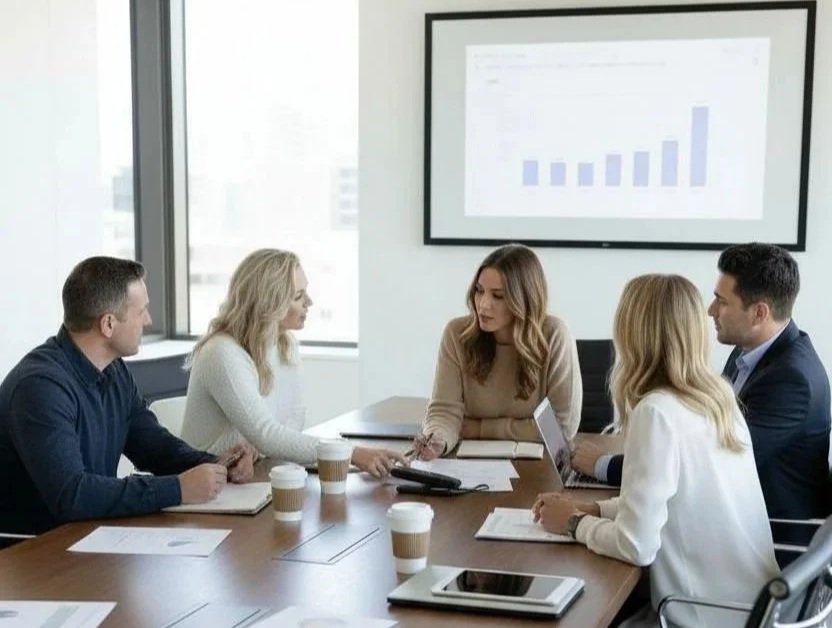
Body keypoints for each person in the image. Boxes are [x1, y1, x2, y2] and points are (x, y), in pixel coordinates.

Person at [534, 274, 778, 627]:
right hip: (750, 608)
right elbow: (676, 499)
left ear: (632, 334)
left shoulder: (657, 412)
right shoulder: (718, 398)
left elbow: (637, 545)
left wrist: (573, 523)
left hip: (700, 615)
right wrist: (594, 508)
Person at [572, 243, 831, 521]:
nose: (710, 310)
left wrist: (603, 465)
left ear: (759, 313)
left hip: (775, 533)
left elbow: (709, 466)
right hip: (727, 516)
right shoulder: (749, 351)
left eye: (722, 301)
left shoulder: (793, 380)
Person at [0, 257, 253, 536]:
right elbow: (72, 494)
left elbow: (152, 445)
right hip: (29, 554)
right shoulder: (40, 387)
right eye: (141, 311)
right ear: (108, 324)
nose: (149, 320)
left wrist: (215, 463)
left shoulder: (114, 370)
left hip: (84, 538)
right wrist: (178, 489)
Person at [181, 249, 406, 477]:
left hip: (246, 476)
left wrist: (257, 449)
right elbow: (266, 434)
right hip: (205, 483)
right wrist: (352, 453)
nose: (309, 302)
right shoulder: (222, 353)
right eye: (298, 296)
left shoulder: (284, 343)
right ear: (270, 303)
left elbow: (294, 416)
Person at [413, 243, 582, 460]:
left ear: (524, 299)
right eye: (479, 291)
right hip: (471, 463)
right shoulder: (457, 334)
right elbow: (445, 412)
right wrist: (436, 441)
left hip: (540, 467)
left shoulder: (554, 334)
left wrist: (480, 429)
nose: (483, 304)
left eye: (498, 296)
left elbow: (560, 427)